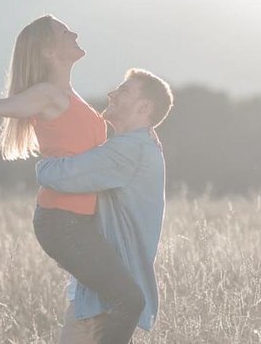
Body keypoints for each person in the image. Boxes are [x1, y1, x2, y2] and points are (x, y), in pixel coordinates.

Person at [0, 15, 143, 343]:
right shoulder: (46, 94)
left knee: (100, 302)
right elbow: (10, 106)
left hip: (82, 221)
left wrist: (143, 135)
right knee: (129, 299)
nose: (74, 32)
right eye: (64, 32)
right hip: (62, 222)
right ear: (48, 52)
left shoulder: (70, 95)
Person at [36, 68, 174, 344]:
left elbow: (60, 176)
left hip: (101, 304)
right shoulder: (135, 145)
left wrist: (43, 164)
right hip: (102, 292)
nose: (112, 93)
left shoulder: (129, 150)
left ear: (143, 107)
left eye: (123, 91)